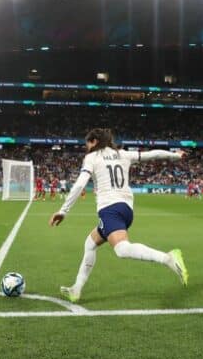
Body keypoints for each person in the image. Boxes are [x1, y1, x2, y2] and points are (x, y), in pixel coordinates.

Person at [50, 128, 188, 302]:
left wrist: (63, 211)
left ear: (94, 141)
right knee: (90, 244)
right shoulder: (123, 154)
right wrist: (175, 155)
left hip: (110, 209)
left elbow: (79, 185)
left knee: (122, 250)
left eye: (88, 143)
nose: (86, 147)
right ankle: (76, 289)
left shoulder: (92, 158)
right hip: (126, 209)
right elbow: (152, 154)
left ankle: (167, 258)